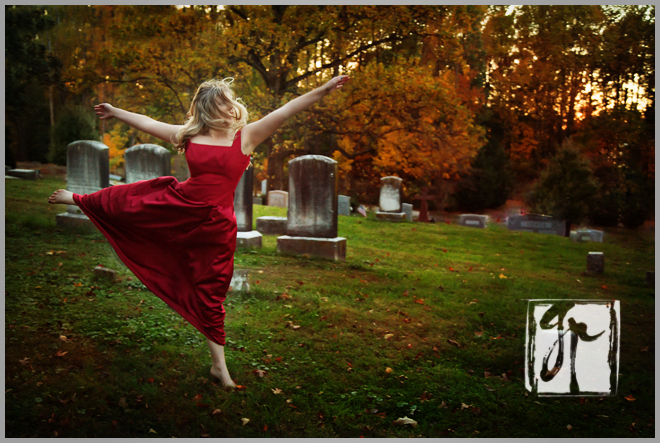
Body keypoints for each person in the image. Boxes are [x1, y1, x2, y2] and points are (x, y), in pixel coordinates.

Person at [48, 75, 350, 388]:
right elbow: (148, 122)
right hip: (180, 208)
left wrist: (323, 90)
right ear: (209, 109)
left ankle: (219, 368)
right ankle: (78, 198)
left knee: (211, 292)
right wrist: (116, 111)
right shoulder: (188, 135)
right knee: (132, 199)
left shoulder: (245, 137)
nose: (232, 106)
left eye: (230, 101)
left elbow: (287, 110)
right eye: (223, 102)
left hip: (216, 227)